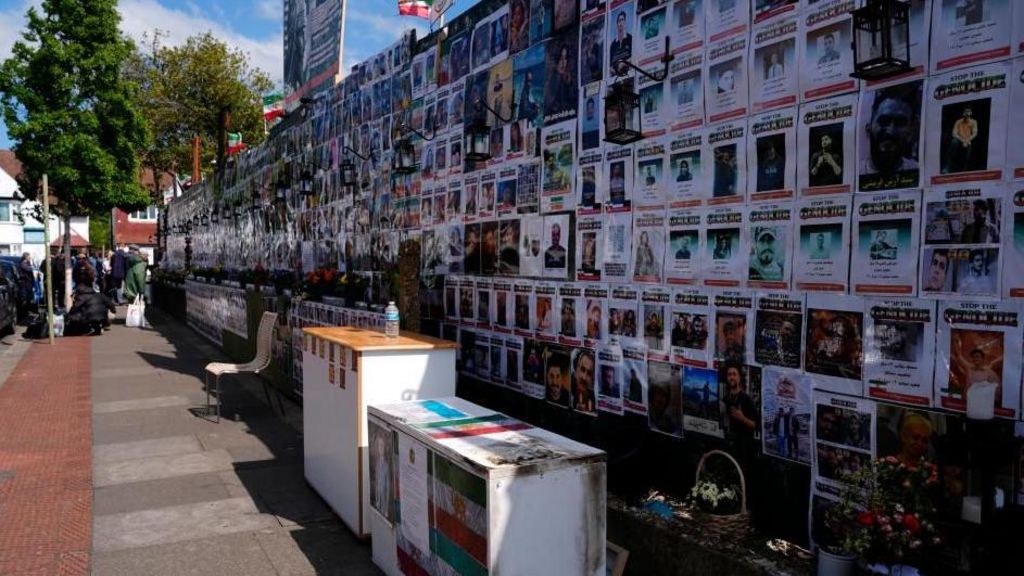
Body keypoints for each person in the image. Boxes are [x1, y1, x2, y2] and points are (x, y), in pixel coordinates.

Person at [863, 85, 919, 176]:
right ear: (869, 127)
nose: (890, 131)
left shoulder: (918, 170)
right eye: (884, 121)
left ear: (911, 131)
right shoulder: (852, 172)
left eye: (900, 123)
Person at [64, 264, 114, 336]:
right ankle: (102, 324)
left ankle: (89, 327)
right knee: (97, 312)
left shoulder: (82, 296)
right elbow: (110, 305)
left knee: (79, 314)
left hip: (90, 317)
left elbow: (75, 307)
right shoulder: (98, 295)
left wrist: (68, 316)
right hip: (102, 316)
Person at [722, 363, 757, 441]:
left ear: (739, 378)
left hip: (744, 444)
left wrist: (742, 419)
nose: (732, 377)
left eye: (734, 374)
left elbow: (755, 425)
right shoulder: (725, 399)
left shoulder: (747, 399)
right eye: (729, 375)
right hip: (729, 442)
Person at [948, 106, 979, 173]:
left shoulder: (974, 122)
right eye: (965, 111)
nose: (967, 113)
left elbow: (974, 133)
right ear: (963, 113)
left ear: (971, 113)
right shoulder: (958, 122)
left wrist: (967, 140)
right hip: (959, 140)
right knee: (954, 142)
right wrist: (963, 140)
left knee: (968, 149)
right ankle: (948, 166)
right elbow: (954, 133)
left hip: (968, 140)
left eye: (968, 111)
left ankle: (964, 169)